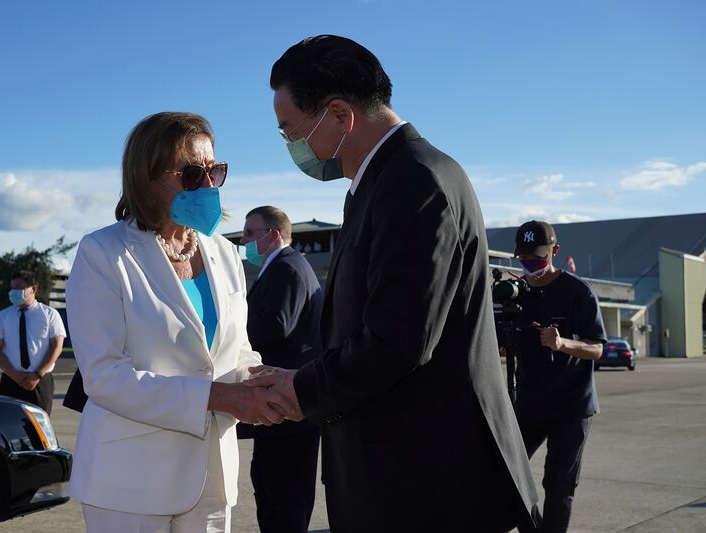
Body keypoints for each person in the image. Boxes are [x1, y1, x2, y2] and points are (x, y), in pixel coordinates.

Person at [247, 35, 541, 532]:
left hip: (427, 482)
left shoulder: (415, 180)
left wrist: (301, 387)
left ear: (339, 115)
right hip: (401, 472)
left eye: (290, 131)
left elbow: (398, 340)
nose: (292, 147)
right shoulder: (382, 181)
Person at [65, 112, 293, 533]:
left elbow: (234, 352)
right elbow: (105, 376)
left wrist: (266, 383)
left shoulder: (224, 253)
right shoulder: (103, 253)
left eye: (215, 171)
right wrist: (219, 397)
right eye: (191, 175)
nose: (208, 186)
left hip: (213, 478)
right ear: (147, 178)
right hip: (130, 483)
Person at [513, 220, 607, 533]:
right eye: (524, 259)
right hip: (529, 401)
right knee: (503, 473)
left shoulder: (578, 291)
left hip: (571, 405)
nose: (530, 265)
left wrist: (562, 343)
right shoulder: (515, 293)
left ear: (555, 251)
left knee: (558, 483)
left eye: (537, 258)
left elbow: (596, 349)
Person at [236, 206, 322, 533]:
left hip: (289, 412)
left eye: (249, 233)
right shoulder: (282, 267)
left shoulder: (287, 268)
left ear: (272, 235)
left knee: (283, 501)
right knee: (270, 490)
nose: (244, 241)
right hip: (280, 410)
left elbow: (276, 325)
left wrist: (230, 329)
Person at [0, 272, 66, 414]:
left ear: (34, 289)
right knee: (9, 425)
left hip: (40, 381)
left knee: (38, 428)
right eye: (12, 288)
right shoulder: (3, 316)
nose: (14, 292)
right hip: (10, 381)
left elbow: (56, 347)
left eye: (19, 287)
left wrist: (36, 375)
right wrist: (15, 376)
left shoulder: (50, 314)